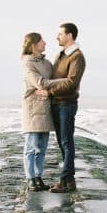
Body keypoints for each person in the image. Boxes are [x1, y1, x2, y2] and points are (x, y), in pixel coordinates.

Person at [36, 23, 86, 193]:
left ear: (70, 36)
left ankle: (65, 181)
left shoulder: (77, 57)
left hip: (67, 104)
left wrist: (48, 92)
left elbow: (72, 83)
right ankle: (69, 181)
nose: (57, 37)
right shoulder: (60, 55)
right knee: (61, 142)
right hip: (57, 103)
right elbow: (53, 77)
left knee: (66, 142)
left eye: (60, 34)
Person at [21, 32, 64, 192]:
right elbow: (40, 83)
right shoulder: (27, 62)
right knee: (31, 146)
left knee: (42, 148)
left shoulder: (46, 63)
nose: (45, 43)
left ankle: (38, 177)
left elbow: (50, 80)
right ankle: (30, 178)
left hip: (46, 108)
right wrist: (67, 81)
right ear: (33, 45)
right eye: (41, 41)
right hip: (33, 108)